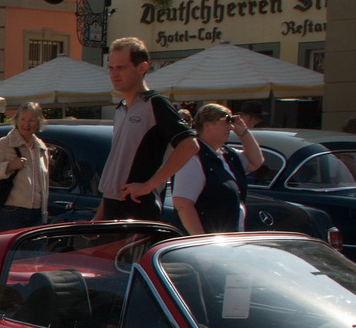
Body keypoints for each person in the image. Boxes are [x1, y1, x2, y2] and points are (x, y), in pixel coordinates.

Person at [97, 37, 197, 220]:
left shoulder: (155, 103)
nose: (114, 74)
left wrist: (149, 185)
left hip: (138, 209)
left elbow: (190, 145)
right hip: (113, 208)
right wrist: (99, 216)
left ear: (142, 68)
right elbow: (117, 167)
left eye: (121, 67)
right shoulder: (120, 109)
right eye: (111, 68)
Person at [172, 103, 263, 234]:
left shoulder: (227, 154)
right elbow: (183, 204)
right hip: (206, 244)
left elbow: (256, 161)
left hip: (227, 239)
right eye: (225, 122)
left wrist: (243, 132)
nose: (231, 127)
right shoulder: (194, 157)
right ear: (207, 125)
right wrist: (202, 241)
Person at [0, 102, 51, 232]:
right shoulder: (4, 144)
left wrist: (43, 213)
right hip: (11, 212)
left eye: (31, 120)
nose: (26, 124)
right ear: (16, 121)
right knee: (11, 252)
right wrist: (9, 166)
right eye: (23, 119)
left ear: (38, 123)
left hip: (36, 213)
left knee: (34, 252)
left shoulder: (40, 147)